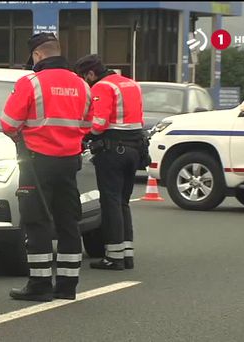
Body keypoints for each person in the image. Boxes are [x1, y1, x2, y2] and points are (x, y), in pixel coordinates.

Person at [1, 33, 92, 302]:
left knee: (36, 221)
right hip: (69, 163)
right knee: (68, 222)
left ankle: (39, 284)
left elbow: (8, 123)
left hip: (37, 162)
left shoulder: (31, 83)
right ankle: (67, 285)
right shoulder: (82, 85)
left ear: (37, 55)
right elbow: (88, 125)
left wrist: (28, 134)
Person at [74, 54, 148, 271]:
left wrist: (84, 135)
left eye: (84, 78)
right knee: (123, 202)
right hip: (135, 148)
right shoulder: (130, 84)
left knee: (110, 202)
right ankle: (126, 254)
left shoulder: (102, 87)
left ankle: (113, 256)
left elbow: (99, 122)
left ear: (90, 74)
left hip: (112, 149)